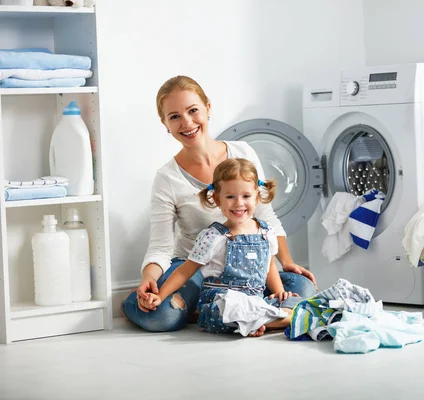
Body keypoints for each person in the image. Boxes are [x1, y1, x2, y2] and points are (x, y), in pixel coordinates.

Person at [122, 75, 317, 332]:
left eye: (193, 111)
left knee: (302, 286)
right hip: (196, 267)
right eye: (175, 116)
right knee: (161, 317)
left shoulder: (243, 153)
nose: (187, 123)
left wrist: (287, 261)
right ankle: (251, 314)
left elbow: (266, 217)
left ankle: (230, 312)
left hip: (249, 267)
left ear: (208, 108)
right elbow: (160, 246)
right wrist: (149, 278)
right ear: (165, 124)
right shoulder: (167, 178)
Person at [144, 158, 298, 337]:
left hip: (255, 300)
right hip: (223, 302)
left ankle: (257, 321)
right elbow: (184, 271)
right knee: (227, 310)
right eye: (230, 197)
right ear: (217, 199)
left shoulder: (266, 231)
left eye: (246, 196)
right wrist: (161, 296)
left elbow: (269, 265)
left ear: (257, 196)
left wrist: (279, 293)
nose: (239, 203)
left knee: (292, 300)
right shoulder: (213, 236)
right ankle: (274, 320)